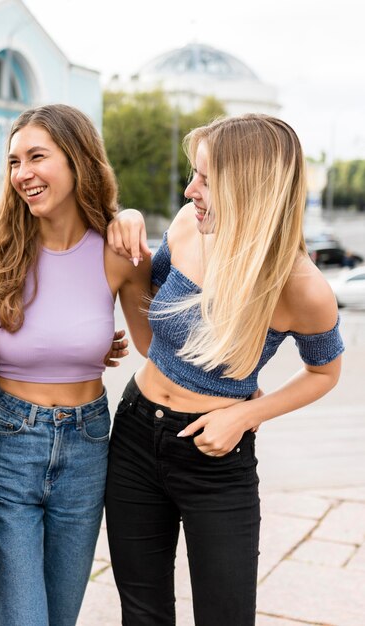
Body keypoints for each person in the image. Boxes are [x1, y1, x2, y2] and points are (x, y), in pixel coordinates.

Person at [105, 114, 344, 625]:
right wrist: (125, 221)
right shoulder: (189, 226)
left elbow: (325, 372)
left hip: (216, 458)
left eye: (207, 179)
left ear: (250, 185)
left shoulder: (302, 287)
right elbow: (150, 326)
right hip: (133, 433)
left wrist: (245, 415)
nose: (191, 189)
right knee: (142, 613)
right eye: (194, 173)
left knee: (226, 616)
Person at [0, 103, 154, 626]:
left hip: (89, 446)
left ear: (77, 160)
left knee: (62, 617)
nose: (22, 173)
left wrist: (233, 383)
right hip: (7, 442)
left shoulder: (120, 253)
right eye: (13, 161)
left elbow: (154, 347)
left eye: (37, 157)